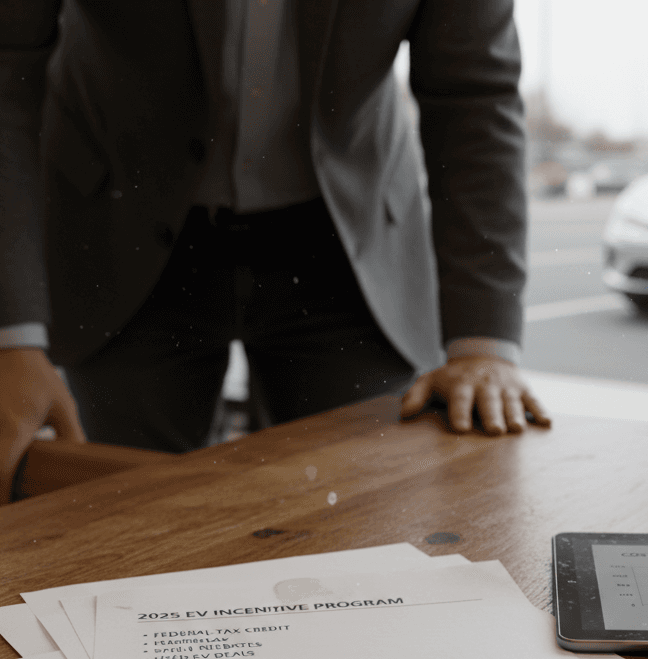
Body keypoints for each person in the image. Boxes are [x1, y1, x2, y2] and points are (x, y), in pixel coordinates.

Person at [0, 0, 549, 504]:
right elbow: (8, 68)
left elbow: (475, 96)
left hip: (346, 248)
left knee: (362, 523)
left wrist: (483, 347)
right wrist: (12, 337)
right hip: (120, 226)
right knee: (115, 522)